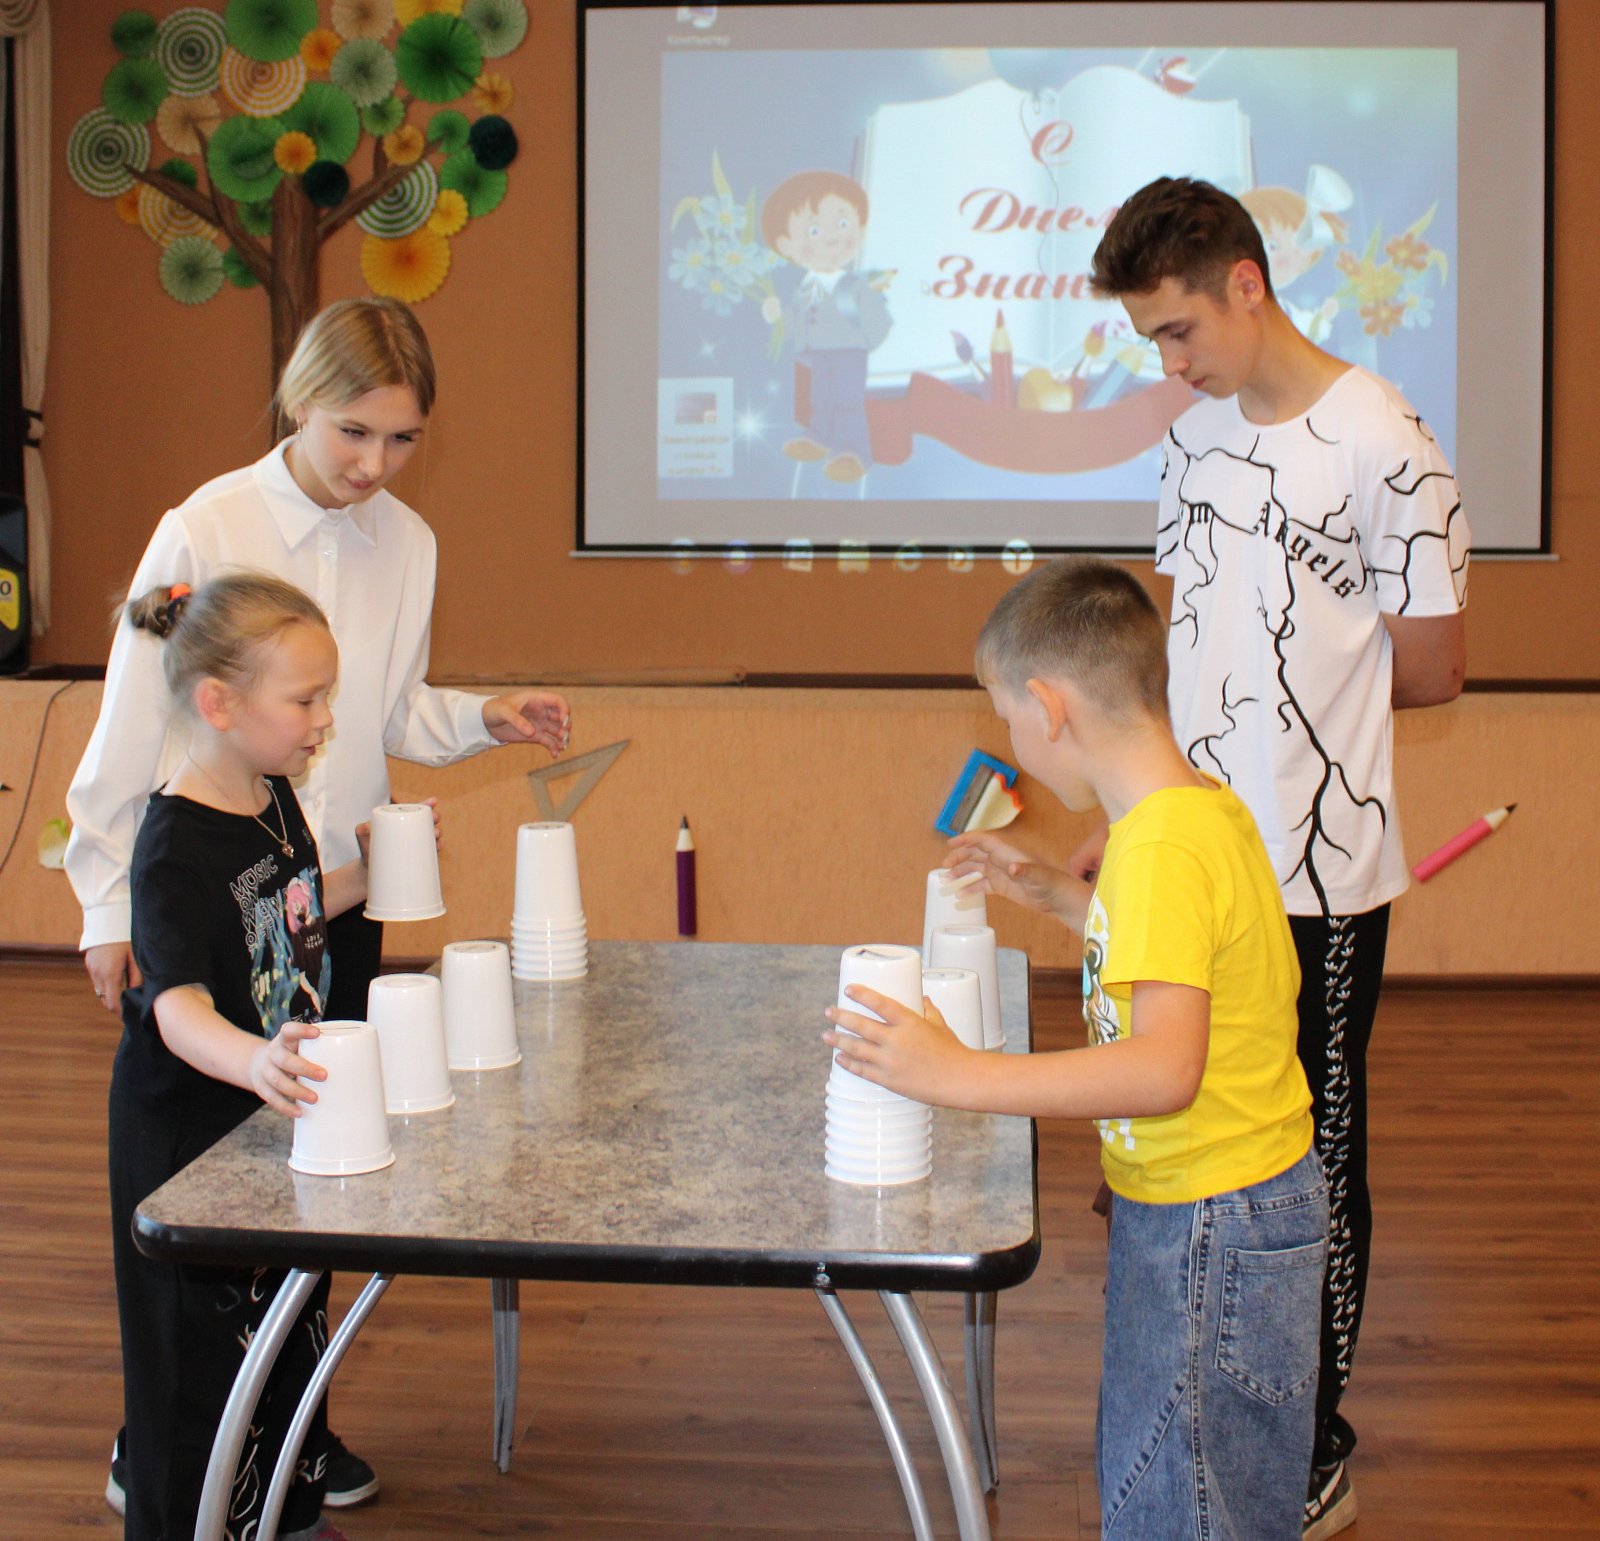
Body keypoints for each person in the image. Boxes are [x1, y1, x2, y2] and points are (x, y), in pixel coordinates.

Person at [66, 296, 572, 1514]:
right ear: (301, 400)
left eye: (402, 440)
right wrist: (103, 903)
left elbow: (386, 710)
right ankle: (166, 1439)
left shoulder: (409, 541)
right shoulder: (209, 524)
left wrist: (482, 717)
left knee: (322, 1163)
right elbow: (129, 723)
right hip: (207, 890)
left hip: (328, 886)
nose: (374, 464)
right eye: (355, 431)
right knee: (204, 1175)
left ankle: (294, 1423)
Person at [1086, 176, 1470, 1538]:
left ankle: (1312, 1444)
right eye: (1152, 339)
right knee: (1196, 1134)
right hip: (1191, 852)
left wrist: (1306, 732)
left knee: (1313, 1154)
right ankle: (1211, 1406)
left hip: (1321, 874)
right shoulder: (1192, 444)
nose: (1169, 362)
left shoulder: (1384, 440)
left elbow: (1432, 668)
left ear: (1246, 285)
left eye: (1179, 330)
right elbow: (1192, 645)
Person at [824, 555, 1327, 1541]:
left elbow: (1164, 1066)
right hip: (1236, 1203)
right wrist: (1058, 892)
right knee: (1213, 1493)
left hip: (1206, 1221)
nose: (1011, 739)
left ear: (1050, 706)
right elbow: (1181, 957)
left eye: (1007, 715)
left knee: (1175, 1501)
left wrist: (959, 1074)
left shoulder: (1159, 849)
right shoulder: (1197, 810)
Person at [109, 572, 412, 1541]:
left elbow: (289, 910)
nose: (326, 719)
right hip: (189, 1141)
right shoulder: (172, 846)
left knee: (284, 1331)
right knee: (198, 1361)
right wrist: (252, 1063)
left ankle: (282, 1513)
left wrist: (370, 870)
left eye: (328, 695)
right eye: (306, 699)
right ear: (220, 704)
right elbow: (177, 1006)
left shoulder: (273, 793)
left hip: (267, 1119)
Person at [759, 169, 893, 482]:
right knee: (820, 398)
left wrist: (867, 341)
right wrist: (777, 317)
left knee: (847, 402)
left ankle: (853, 452)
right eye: (814, 230)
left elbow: (878, 317)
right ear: (786, 246)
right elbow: (796, 321)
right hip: (818, 353)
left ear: (861, 228)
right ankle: (819, 438)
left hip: (849, 353)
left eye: (843, 223)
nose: (832, 238)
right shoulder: (806, 287)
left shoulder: (854, 284)